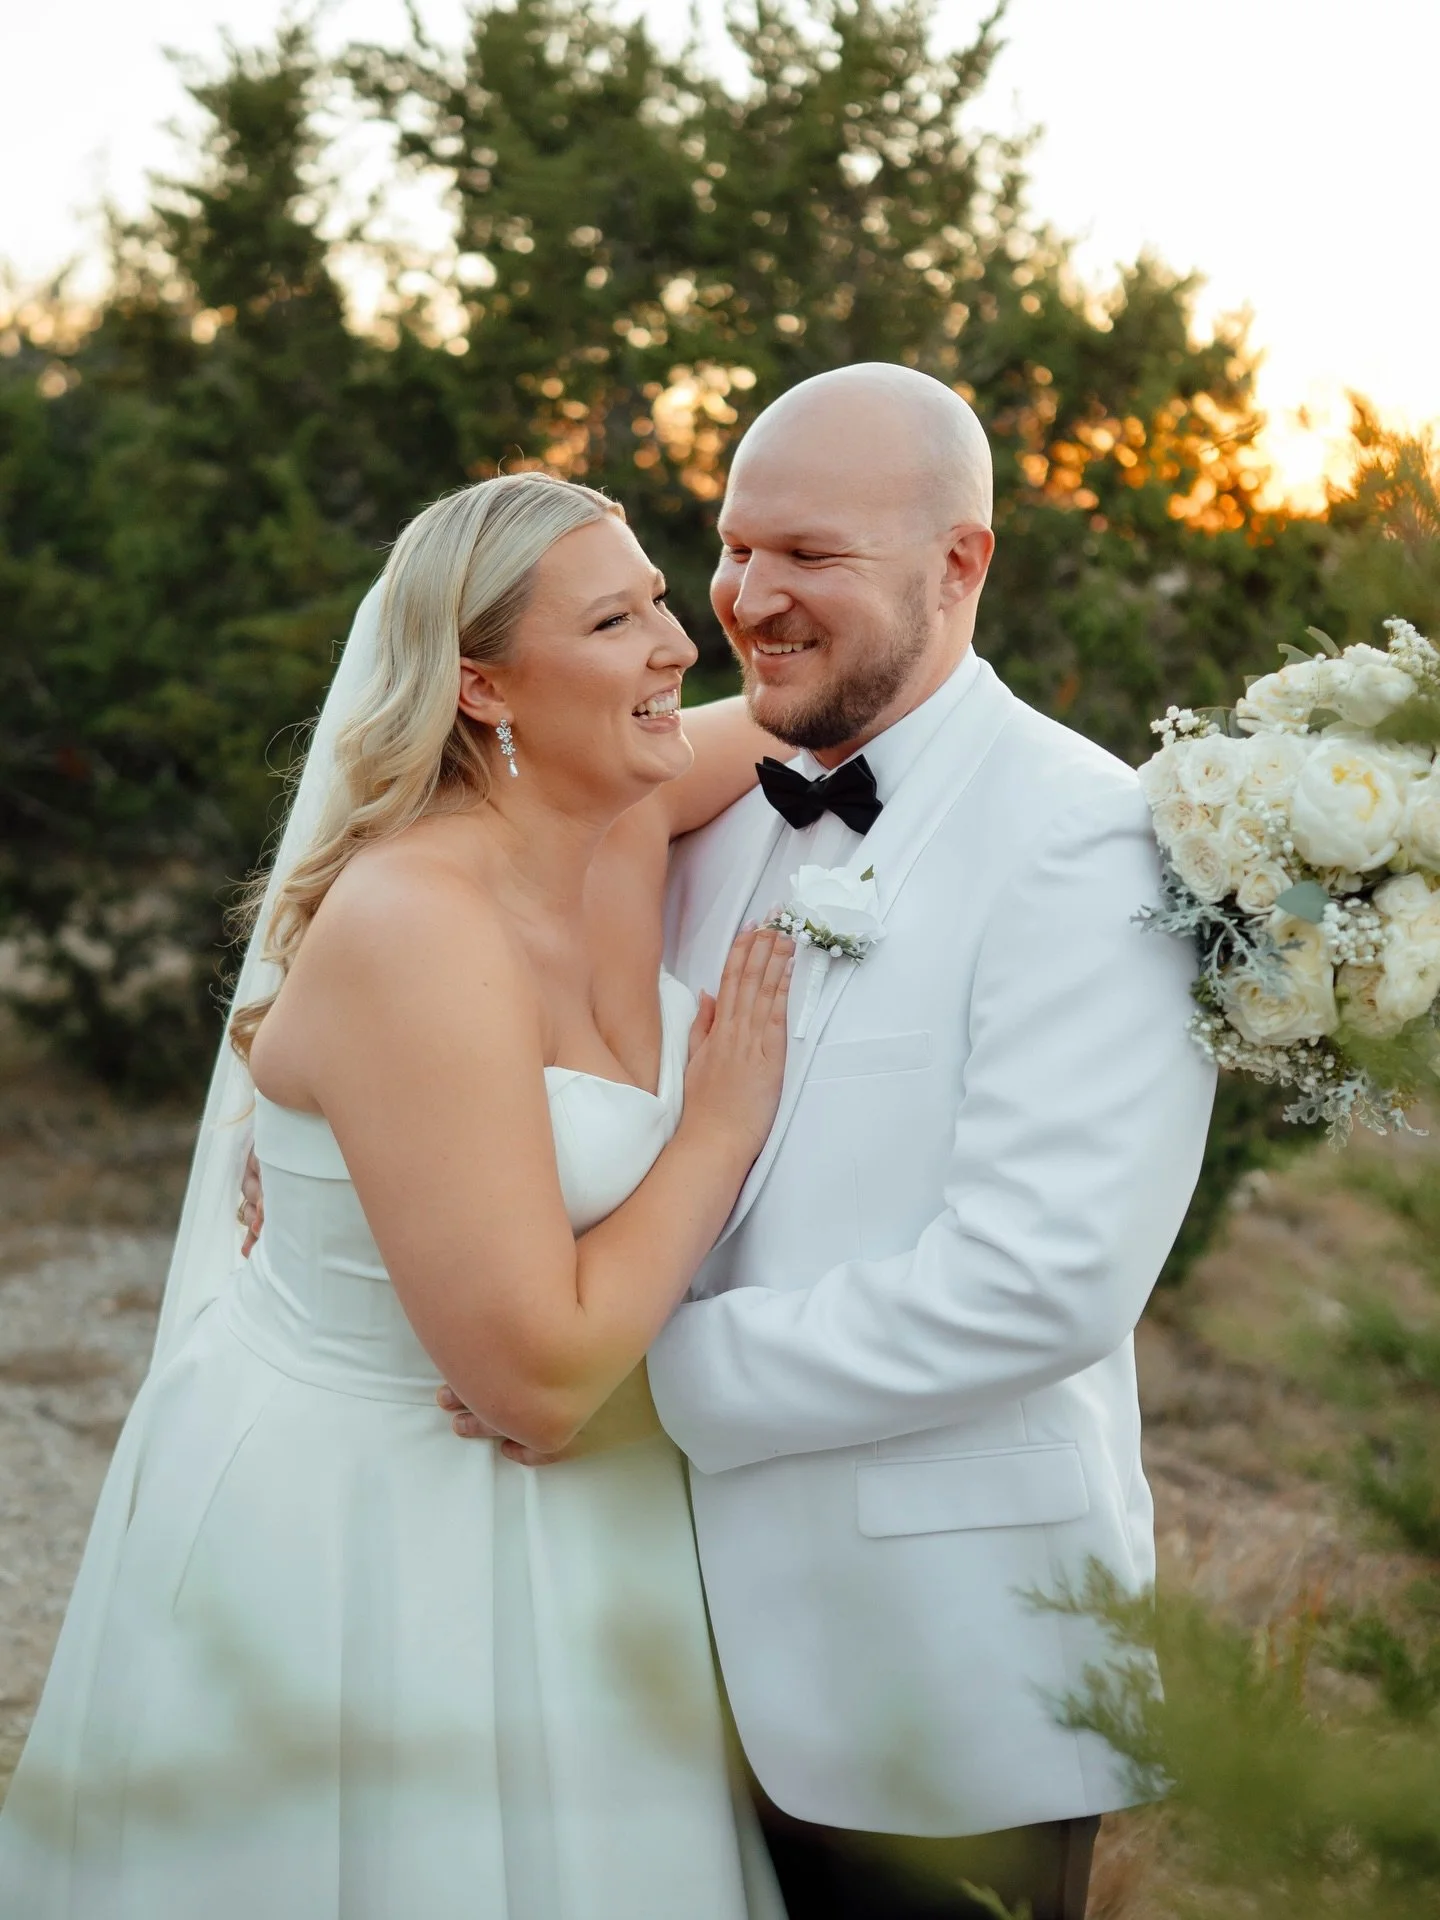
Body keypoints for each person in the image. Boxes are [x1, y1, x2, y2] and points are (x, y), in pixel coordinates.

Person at [448, 364, 1217, 1920]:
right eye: (733, 548)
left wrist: (638, 1391)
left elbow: (1040, 1280)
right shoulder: (688, 808)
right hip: (639, 1656)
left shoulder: (1093, 839)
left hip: (937, 1675)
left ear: (960, 563)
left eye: (811, 555)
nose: (750, 596)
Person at [0, 472, 797, 1919]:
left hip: (580, 1526)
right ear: (484, 684)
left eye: (664, 599)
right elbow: (539, 1387)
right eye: (618, 620)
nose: (681, 643)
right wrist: (717, 1129)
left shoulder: (616, 803)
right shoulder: (418, 925)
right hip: (369, 1521)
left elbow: (837, 720)